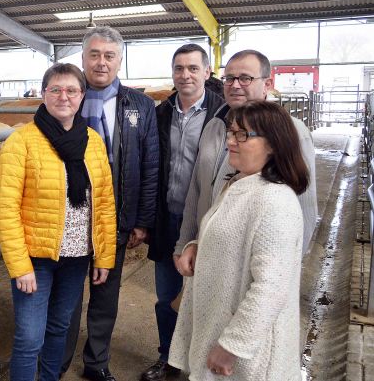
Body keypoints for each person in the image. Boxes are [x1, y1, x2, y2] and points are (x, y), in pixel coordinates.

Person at [168, 100, 308, 379]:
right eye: (231, 132)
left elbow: (270, 288)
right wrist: (196, 247)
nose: (230, 141)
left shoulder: (274, 201)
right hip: (218, 330)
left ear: (273, 144)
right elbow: (229, 236)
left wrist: (232, 345)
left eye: (242, 135)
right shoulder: (239, 184)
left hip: (248, 356)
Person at [0, 63, 116, 381]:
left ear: (82, 95)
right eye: (56, 89)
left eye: (72, 90)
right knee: (29, 338)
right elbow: (6, 209)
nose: (64, 96)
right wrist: (20, 265)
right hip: (36, 260)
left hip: (77, 257)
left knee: (59, 329)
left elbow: (103, 203)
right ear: (43, 93)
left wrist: (105, 256)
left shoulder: (92, 142)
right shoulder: (21, 142)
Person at [62, 26, 160, 381]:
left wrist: (142, 219)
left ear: (120, 60)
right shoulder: (65, 98)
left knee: (105, 294)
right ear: (83, 58)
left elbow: (150, 164)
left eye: (109, 55)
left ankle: (96, 362)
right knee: (67, 296)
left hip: (114, 218)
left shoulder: (141, 105)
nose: (101, 62)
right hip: (69, 218)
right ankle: (58, 359)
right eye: (94, 54)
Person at [174, 49, 317, 278]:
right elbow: (196, 189)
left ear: (266, 84)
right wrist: (185, 242)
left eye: (245, 78)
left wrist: (281, 273)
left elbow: (304, 210)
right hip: (205, 252)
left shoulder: (291, 132)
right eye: (229, 78)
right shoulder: (214, 126)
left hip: (249, 266)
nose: (235, 85)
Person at [141, 44, 223, 381]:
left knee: (207, 296)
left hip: (207, 222)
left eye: (192, 68)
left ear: (206, 72)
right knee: (166, 296)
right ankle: (167, 357)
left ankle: (201, 360)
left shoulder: (223, 114)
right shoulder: (159, 114)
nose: (185, 75)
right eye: (179, 68)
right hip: (168, 218)